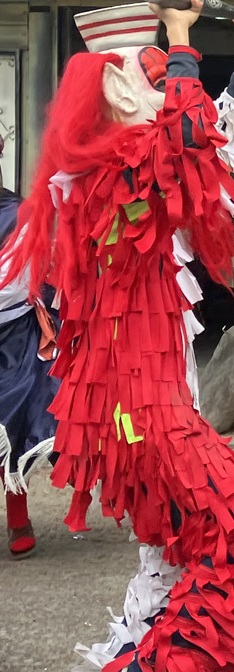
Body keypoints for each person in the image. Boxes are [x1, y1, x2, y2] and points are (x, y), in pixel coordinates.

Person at [0, 0, 234, 672]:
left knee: (171, 554)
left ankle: (147, 652)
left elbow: (218, 158)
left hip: (154, 404)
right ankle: (159, 662)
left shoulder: (137, 170)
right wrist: (180, 40)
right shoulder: (100, 178)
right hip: (141, 415)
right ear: (117, 91)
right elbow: (185, 142)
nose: (165, 85)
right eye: (150, 75)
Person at [0, 138, 58, 559]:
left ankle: (17, 515)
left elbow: (44, 268)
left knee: (14, 420)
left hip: (17, 331)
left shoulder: (23, 212)